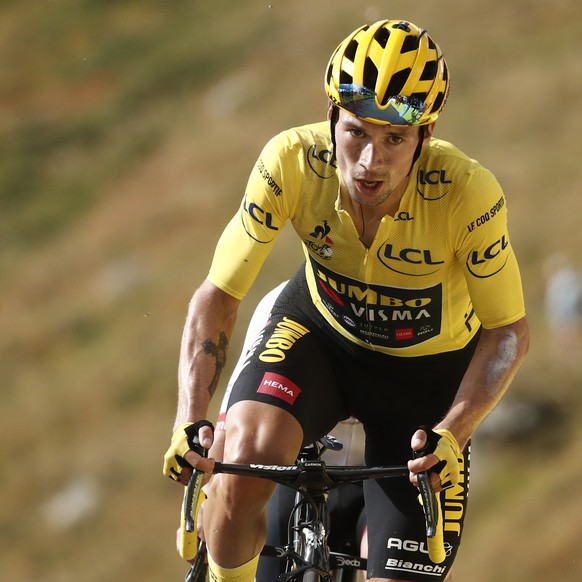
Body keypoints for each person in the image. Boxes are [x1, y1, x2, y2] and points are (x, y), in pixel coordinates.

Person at [163, 19, 529, 582]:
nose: (369, 162)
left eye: (394, 139)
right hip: (319, 340)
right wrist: (189, 420)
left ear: (425, 136)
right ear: (331, 114)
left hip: (425, 379)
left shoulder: (466, 195)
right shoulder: (291, 161)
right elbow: (219, 294)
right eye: (356, 131)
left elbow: (508, 331)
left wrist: (453, 432)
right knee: (237, 472)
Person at [209, 282, 367, 580]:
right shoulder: (285, 299)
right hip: (300, 473)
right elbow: (231, 421)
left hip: (385, 476)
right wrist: (210, 501)